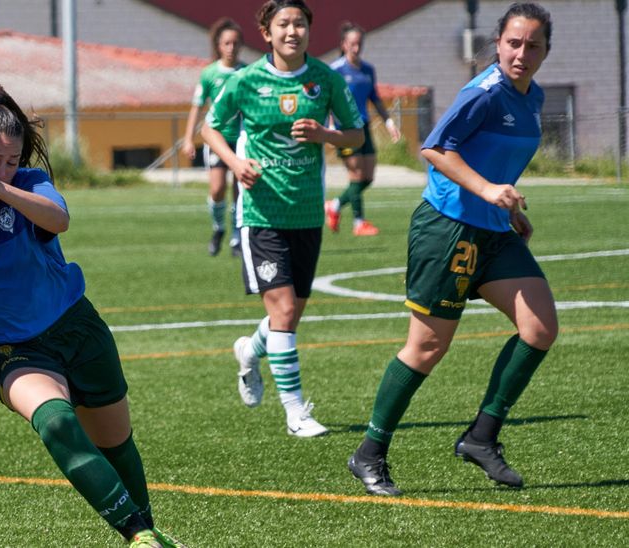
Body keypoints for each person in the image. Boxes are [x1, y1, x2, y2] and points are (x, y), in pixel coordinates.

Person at [0, 83, 180, 548]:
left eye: (11, 159)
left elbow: (59, 220)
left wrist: (2, 188)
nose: (2, 168)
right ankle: (140, 535)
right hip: (11, 350)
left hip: (77, 329)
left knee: (116, 445)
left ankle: (146, 531)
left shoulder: (30, 186)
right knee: (57, 422)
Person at [348, 3, 556, 496]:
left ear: (546, 51)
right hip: (448, 230)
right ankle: (369, 452)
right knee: (426, 347)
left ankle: (481, 437)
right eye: (513, 42)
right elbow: (436, 149)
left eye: (533, 45)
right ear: (498, 42)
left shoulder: (533, 97)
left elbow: (495, 159)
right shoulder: (484, 93)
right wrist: (488, 191)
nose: (521, 53)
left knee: (540, 327)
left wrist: (507, 209)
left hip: (493, 231)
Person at [200, 0, 364, 438]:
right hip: (261, 213)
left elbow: (357, 133)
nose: (293, 31)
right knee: (285, 310)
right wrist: (235, 163)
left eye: (300, 24)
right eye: (283, 24)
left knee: (287, 319)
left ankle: (249, 352)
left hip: (307, 212)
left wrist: (325, 134)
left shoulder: (325, 80)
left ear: (310, 30)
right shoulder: (245, 81)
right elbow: (210, 128)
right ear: (266, 33)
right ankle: (296, 412)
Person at [324, 22, 403, 237]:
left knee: (368, 177)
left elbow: (375, 98)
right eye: (352, 44)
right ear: (344, 44)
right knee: (357, 175)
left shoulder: (368, 70)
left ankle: (335, 206)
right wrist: (330, 127)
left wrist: (388, 122)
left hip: (364, 126)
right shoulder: (335, 70)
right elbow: (328, 100)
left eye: (359, 44)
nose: (356, 48)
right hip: (344, 128)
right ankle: (359, 223)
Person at [181, 18, 246, 257]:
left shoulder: (247, 72)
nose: (232, 47)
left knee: (240, 189)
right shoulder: (209, 74)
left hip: (241, 140)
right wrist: (189, 139)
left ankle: (237, 237)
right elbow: (197, 107)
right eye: (227, 43)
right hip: (217, 139)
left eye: (236, 43)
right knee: (217, 188)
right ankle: (219, 228)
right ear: (219, 46)